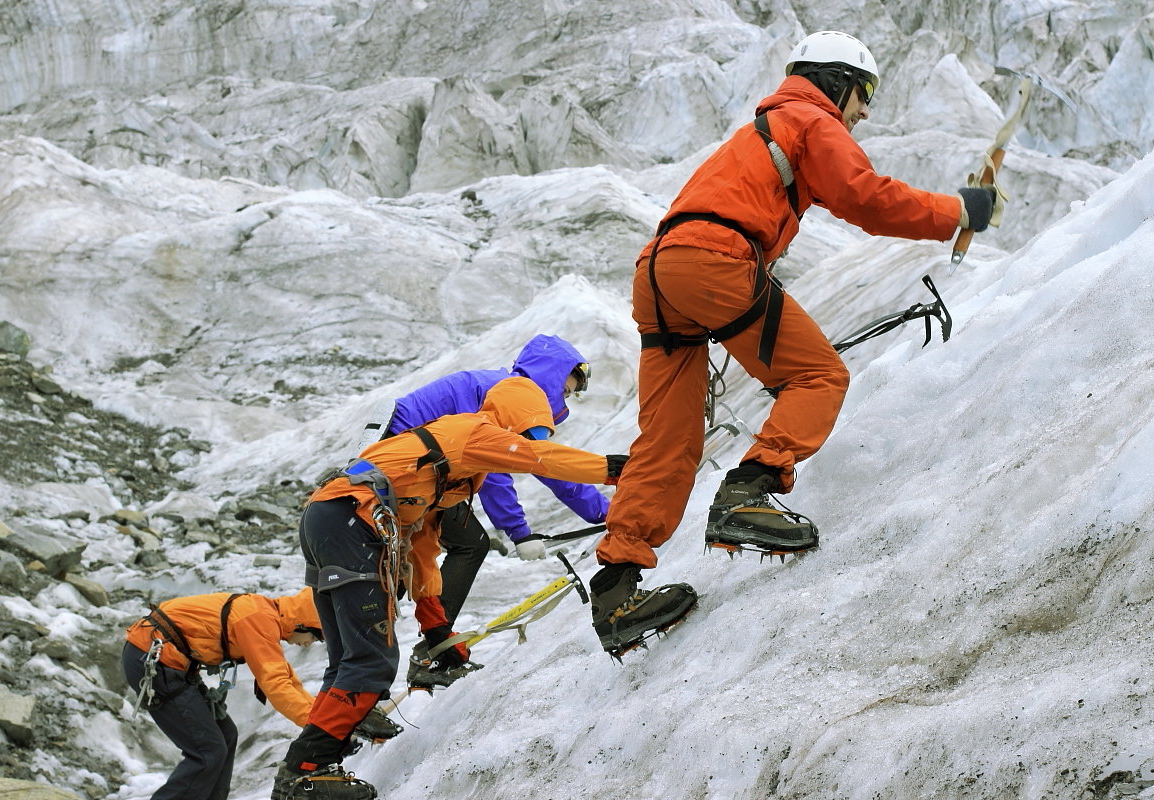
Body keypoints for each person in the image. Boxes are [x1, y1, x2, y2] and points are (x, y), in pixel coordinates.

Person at [588, 31, 1001, 655]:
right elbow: (865, 198)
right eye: (865, 95)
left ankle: (616, 589)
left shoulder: (766, 127)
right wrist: (959, 211)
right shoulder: (811, 118)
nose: (864, 112)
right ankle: (748, 494)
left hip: (659, 271)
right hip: (714, 260)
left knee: (669, 440)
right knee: (819, 378)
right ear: (839, 81)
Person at [271, 376, 626, 799]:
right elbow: (539, 459)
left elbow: (423, 552)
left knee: (350, 659)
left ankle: (310, 769)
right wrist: (616, 469)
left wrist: (437, 629)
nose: (526, 438)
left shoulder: (451, 469)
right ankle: (305, 771)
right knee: (371, 662)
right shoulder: (473, 432)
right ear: (516, 417)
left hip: (329, 516)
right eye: (528, 427)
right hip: (352, 518)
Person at [375, 334, 604, 628]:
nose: (563, 400)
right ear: (548, 379)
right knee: (467, 546)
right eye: (563, 390)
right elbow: (500, 468)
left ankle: (432, 641)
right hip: (408, 473)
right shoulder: (506, 396)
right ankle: (433, 645)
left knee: (417, 562)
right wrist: (519, 533)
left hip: (415, 471)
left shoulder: (499, 388)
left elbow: (546, 464)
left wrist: (603, 512)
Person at [122, 588, 323, 800]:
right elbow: (276, 684)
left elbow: (287, 680)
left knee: (225, 735)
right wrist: (319, 729)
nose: (310, 643)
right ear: (302, 624)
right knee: (208, 751)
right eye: (316, 636)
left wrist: (323, 721)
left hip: (165, 659)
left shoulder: (264, 615)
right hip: (154, 659)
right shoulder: (258, 620)